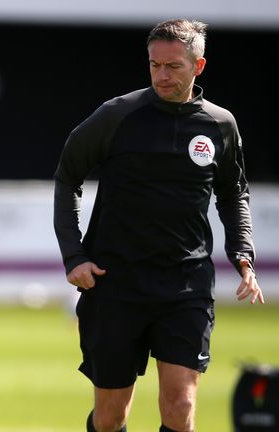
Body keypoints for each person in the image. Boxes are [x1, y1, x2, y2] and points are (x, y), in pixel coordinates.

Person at [53, 19, 264, 432]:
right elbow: (67, 176)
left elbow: (234, 193)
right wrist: (74, 256)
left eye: (173, 66)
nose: (162, 75)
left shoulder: (220, 125)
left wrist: (243, 254)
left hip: (185, 286)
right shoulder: (117, 115)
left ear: (198, 66)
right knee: (112, 416)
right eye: (154, 66)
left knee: (181, 407)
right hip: (115, 283)